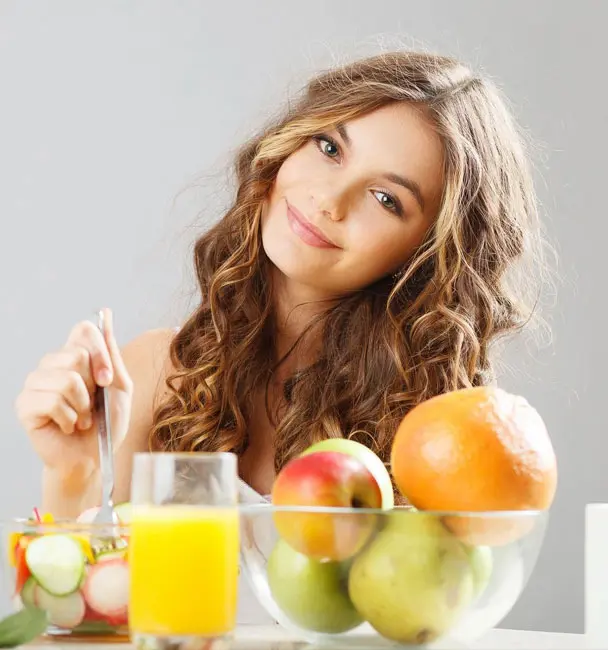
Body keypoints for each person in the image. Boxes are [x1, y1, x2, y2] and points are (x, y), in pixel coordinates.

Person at [15, 49, 550, 520]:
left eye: (386, 199)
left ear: (428, 255)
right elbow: (80, 623)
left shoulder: (443, 436)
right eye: (329, 148)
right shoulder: (153, 375)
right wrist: (74, 473)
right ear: (288, 143)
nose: (329, 200)